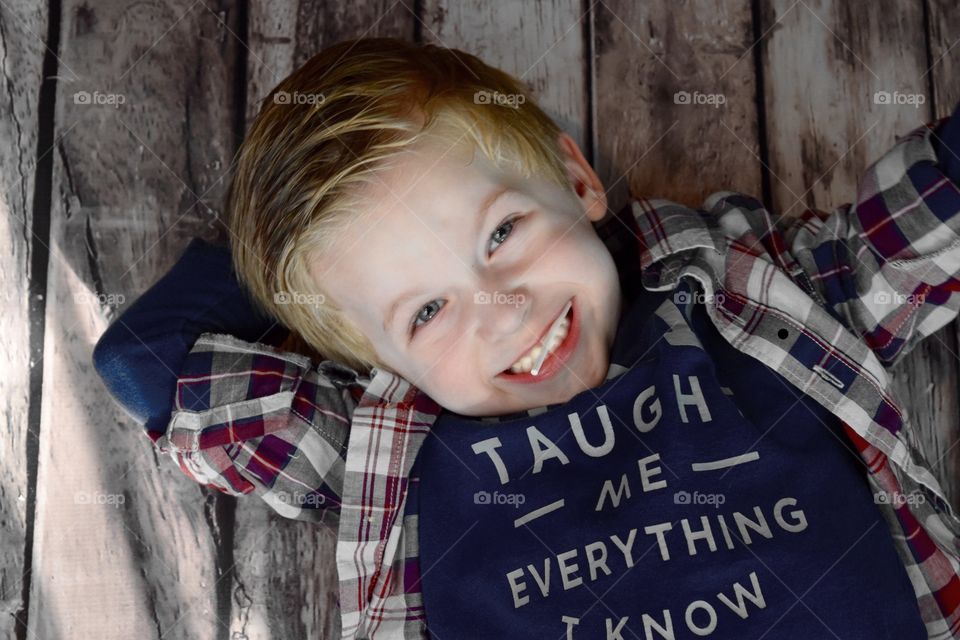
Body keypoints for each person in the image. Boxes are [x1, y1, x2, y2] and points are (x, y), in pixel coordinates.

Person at [93, 37, 960, 639]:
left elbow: (930, 213)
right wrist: (315, 269)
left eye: (502, 233)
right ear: (371, 357)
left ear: (577, 178)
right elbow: (145, 357)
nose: (501, 309)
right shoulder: (379, 449)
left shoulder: (756, 289)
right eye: (424, 313)